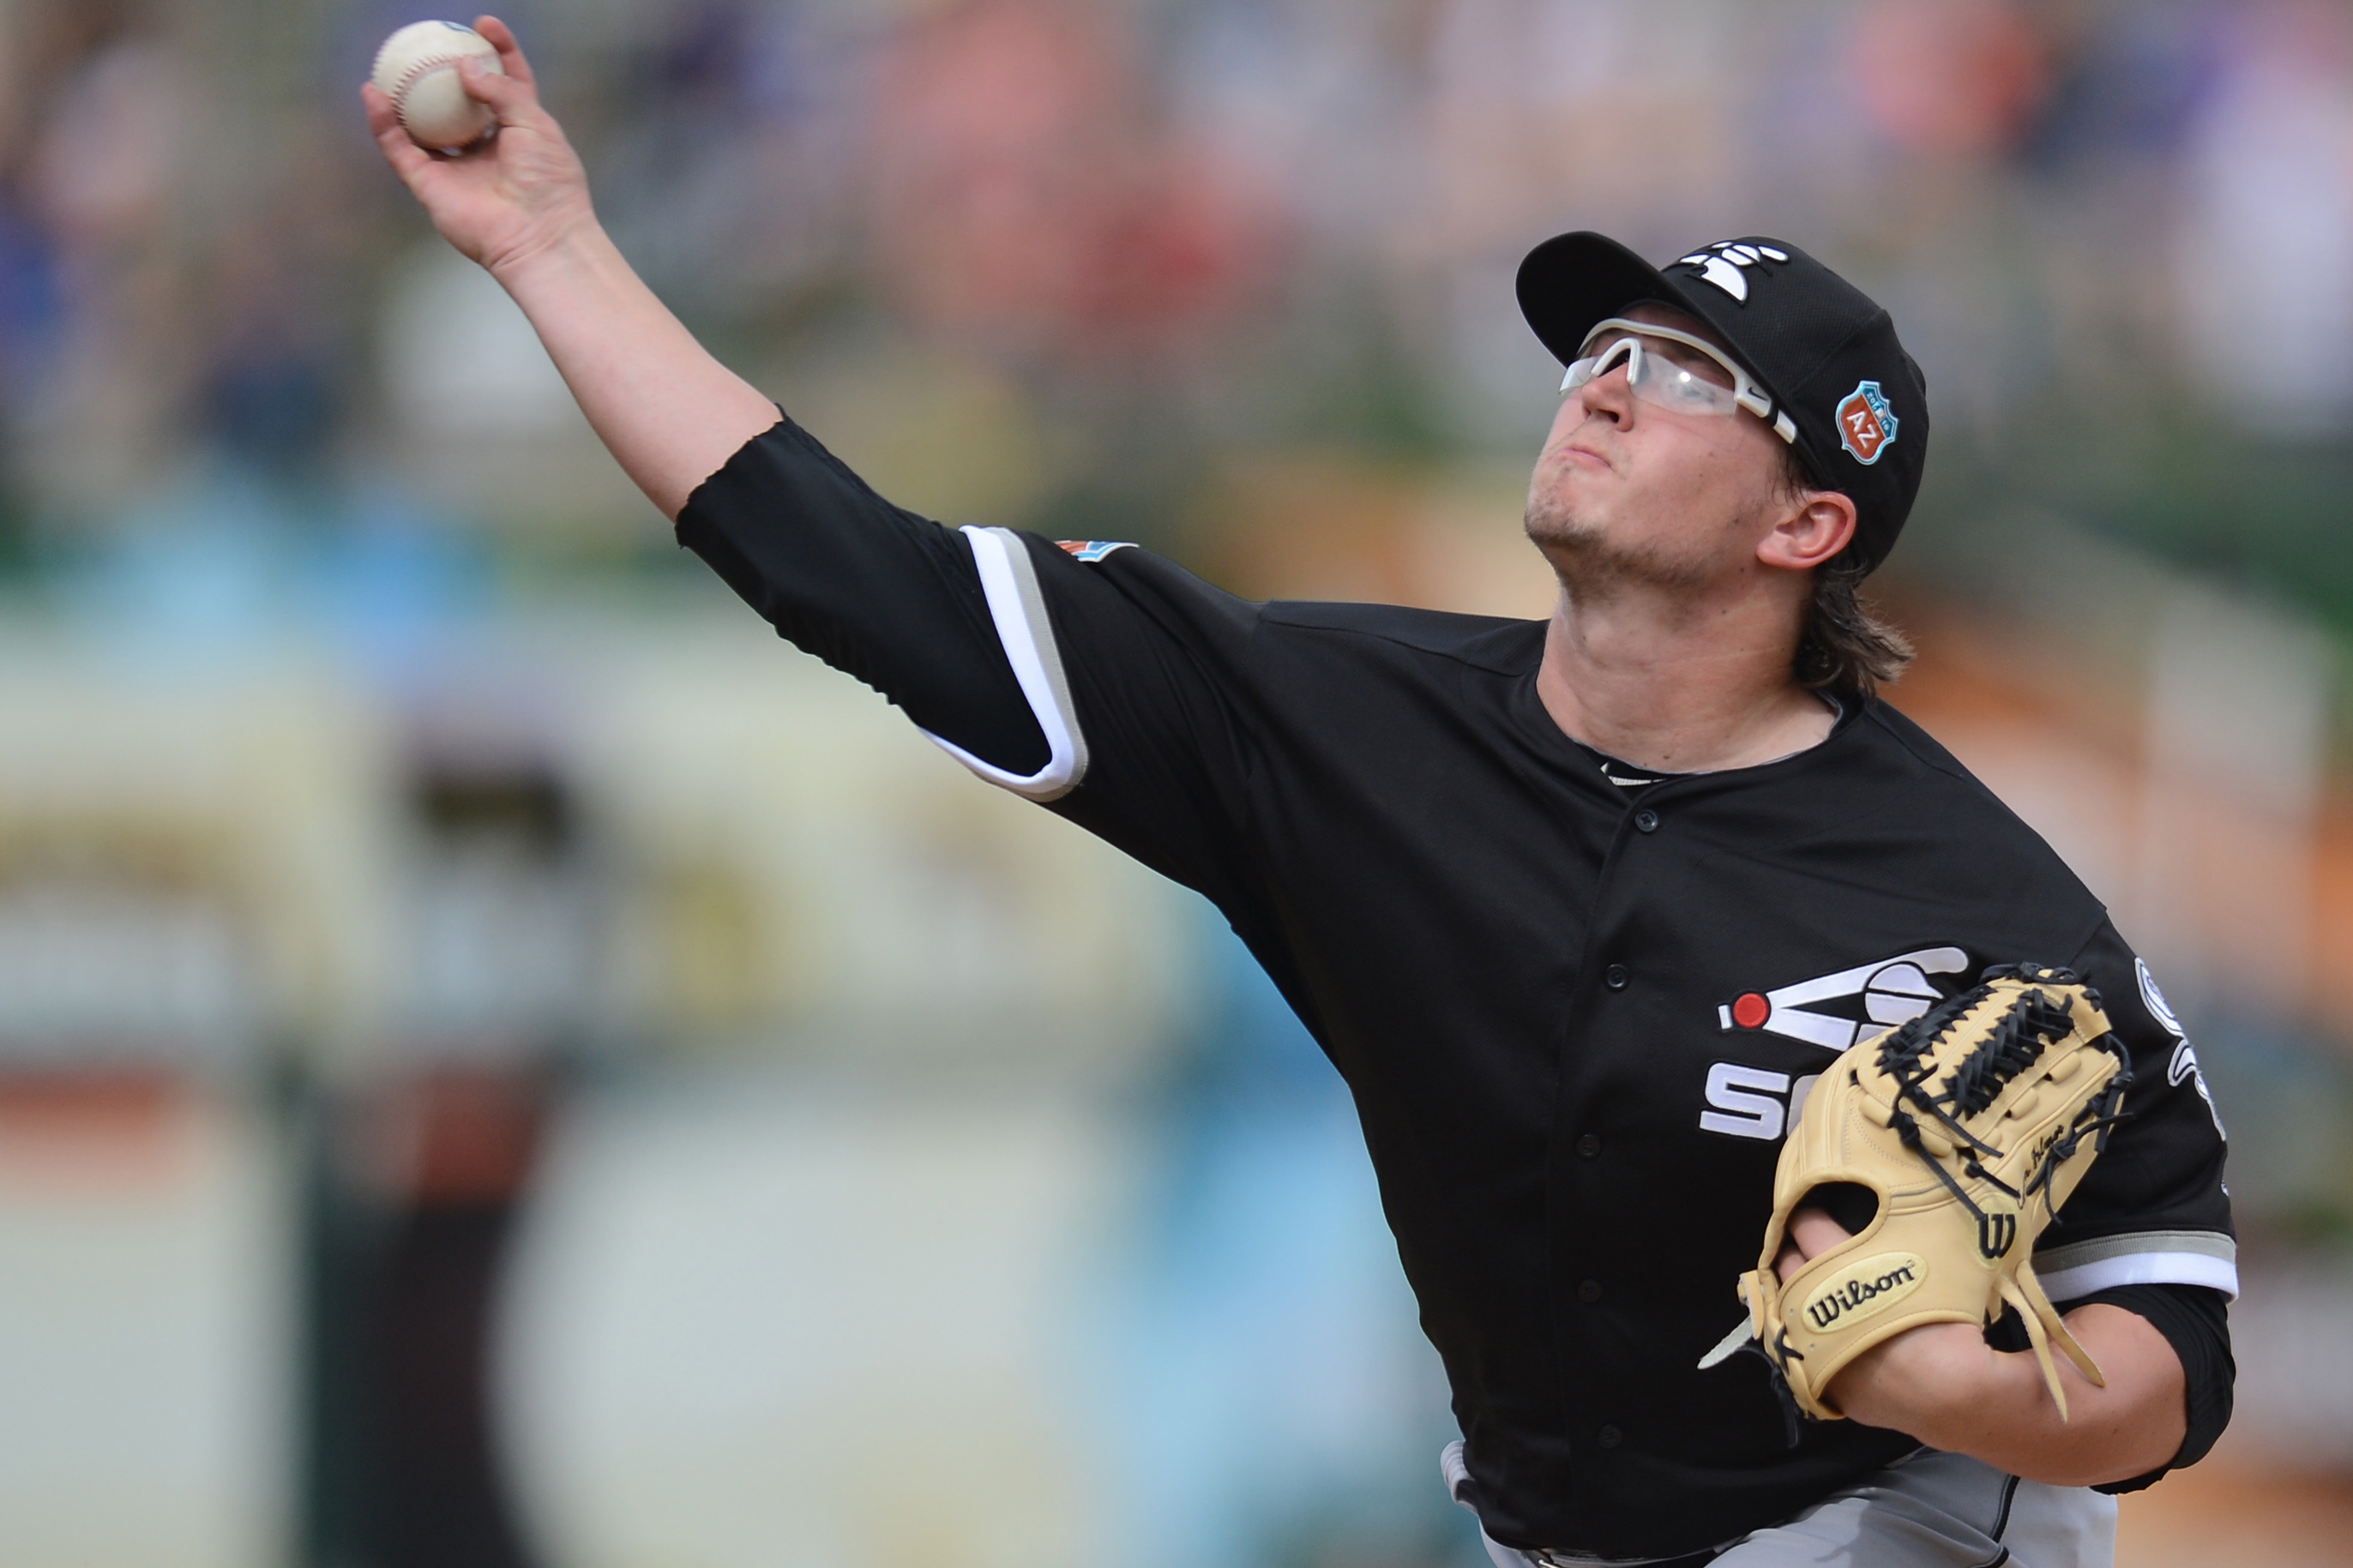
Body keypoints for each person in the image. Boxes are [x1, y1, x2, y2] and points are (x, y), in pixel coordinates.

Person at [364, 21, 2236, 1566]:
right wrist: (547, 248)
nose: (1598, 385)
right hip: (1545, 1527)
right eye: (1599, 347)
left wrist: (1982, 1398)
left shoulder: (1972, 900)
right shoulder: (1336, 724)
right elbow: (858, 574)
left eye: (1683, 376)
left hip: (1875, 1520)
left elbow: (2173, 1325)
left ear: (1804, 524)